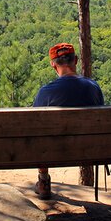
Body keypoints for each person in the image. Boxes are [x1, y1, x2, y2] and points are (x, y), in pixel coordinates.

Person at [32, 42, 104, 199]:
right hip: (91, 148)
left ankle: (43, 181)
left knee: (39, 134)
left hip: (54, 150)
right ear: (76, 60)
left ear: (53, 65)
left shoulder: (45, 92)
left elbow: (33, 125)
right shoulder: (94, 87)